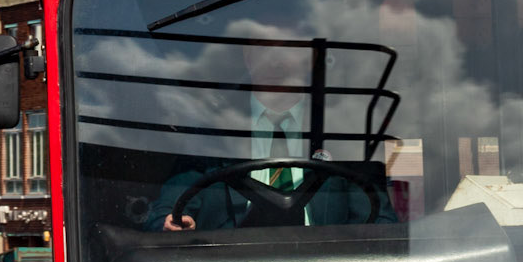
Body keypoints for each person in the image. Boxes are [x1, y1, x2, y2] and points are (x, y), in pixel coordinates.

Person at [146, 36, 394, 231]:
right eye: (264, 47)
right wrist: (171, 223)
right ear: (248, 56)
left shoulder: (344, 130)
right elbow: (168, 210)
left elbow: (378, 219)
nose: (275, 60)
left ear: (311, 58)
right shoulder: (213, 132)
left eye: (288, 48)